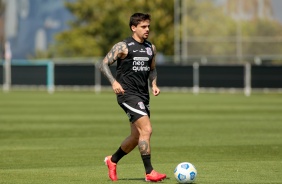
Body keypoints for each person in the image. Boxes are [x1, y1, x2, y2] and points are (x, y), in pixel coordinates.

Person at [99, 13, 166, 182]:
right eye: (143, 27)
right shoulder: (123, 46)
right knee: (147, 130)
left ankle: (112, 161)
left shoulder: (151, 48)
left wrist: (154, 84)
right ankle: (149, 172)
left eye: (148, 26)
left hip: (143, 95)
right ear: (133, 27)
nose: (147, 30)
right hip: (127, 94)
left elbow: (152, 69)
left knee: (136, 137)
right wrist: (114, 82)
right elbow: (104, 64)